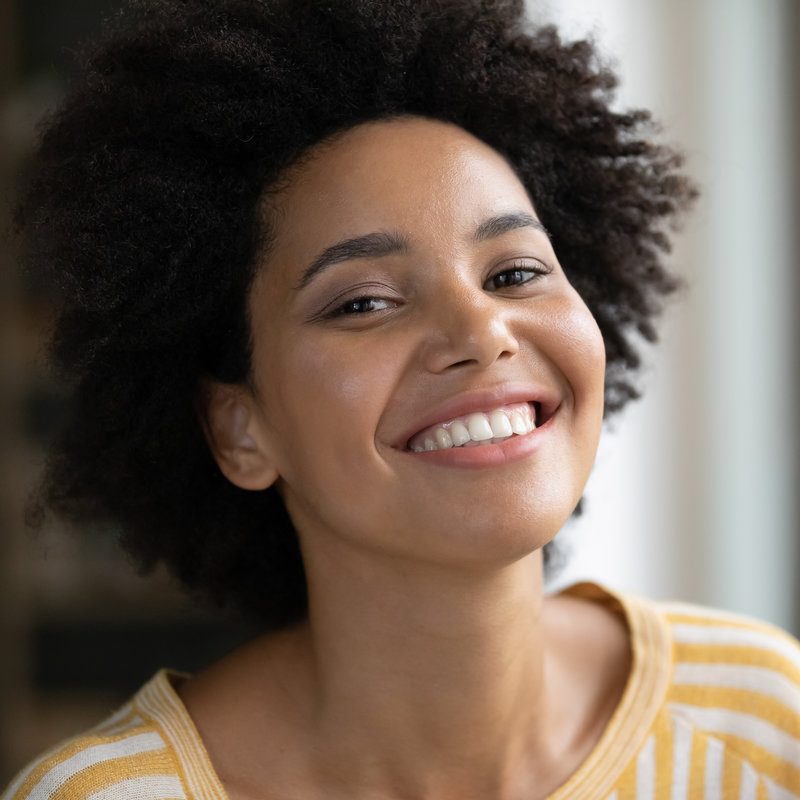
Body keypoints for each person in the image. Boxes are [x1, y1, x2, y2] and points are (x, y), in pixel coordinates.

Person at [4, 1, 800, 798]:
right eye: (364, 303)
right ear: (240, 430)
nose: (480, 331)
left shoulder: (767, 723)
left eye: (515, 273)